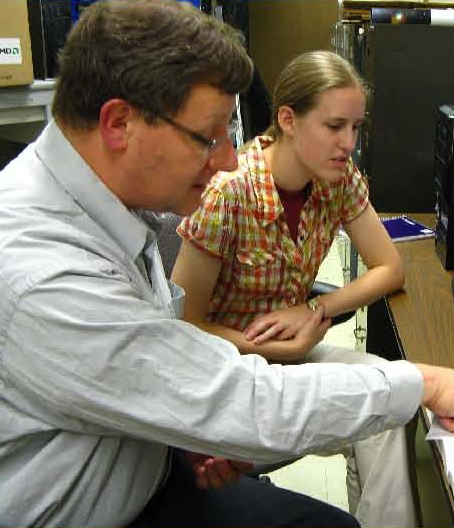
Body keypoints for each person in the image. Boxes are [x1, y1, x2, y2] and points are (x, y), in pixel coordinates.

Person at [0, 1, 454, 526]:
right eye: (209, 137)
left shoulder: (103, 202)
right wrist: (425, 383)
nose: (227, 159)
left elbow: (151, 362)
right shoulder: (42, 272)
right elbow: (236, 396)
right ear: (118, 123)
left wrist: (179, 431)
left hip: (150, 453)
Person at [170, 50, 409, 526]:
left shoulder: (337, 181)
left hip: (293, 358)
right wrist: (273, 348)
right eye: (334, 126)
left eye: (356, 128)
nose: (348, 143)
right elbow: (182, 325)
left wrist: (316, 310)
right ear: (288, 120)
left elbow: (390, 267)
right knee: (378, 409)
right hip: (227, 375)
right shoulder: (228, 192)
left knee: (390, 404)